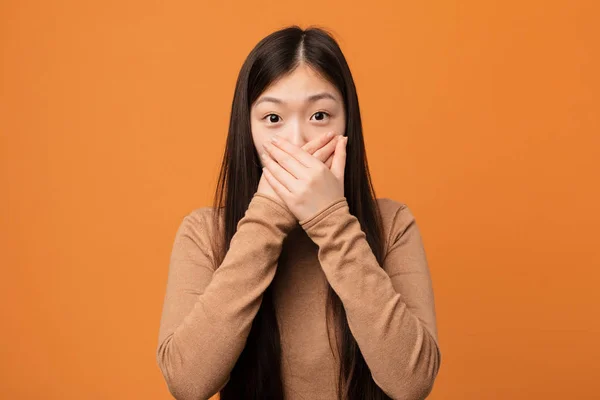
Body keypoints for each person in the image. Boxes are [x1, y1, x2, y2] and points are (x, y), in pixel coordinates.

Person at [156, 25, 441, 400]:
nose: (296, 141)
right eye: (273, 119)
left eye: (320, 115)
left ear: (347, 125)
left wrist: (332, 221)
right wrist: (267, 216)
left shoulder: (392, 225)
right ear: (248, 130)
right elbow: (187, 383)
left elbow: (412, 382)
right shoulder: (204, 233)